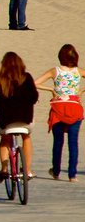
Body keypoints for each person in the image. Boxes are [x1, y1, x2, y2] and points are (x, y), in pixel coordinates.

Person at [0, 52, 39, 183]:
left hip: (6, 121)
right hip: (25, 119)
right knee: (26, 137)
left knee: (5, 139)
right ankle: (27, 171)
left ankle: (4, 170)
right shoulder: (27, 77)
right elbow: (34, 97)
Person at [34, 44, 85, 182]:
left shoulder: (55, 71)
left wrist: (51, 89)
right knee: (73, 143)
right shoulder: (78, 71)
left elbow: (35, 83)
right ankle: (72, 175)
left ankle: (56, 171)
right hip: (74, 107)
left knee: (58, 142)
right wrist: (81, 91)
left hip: (58, 108)